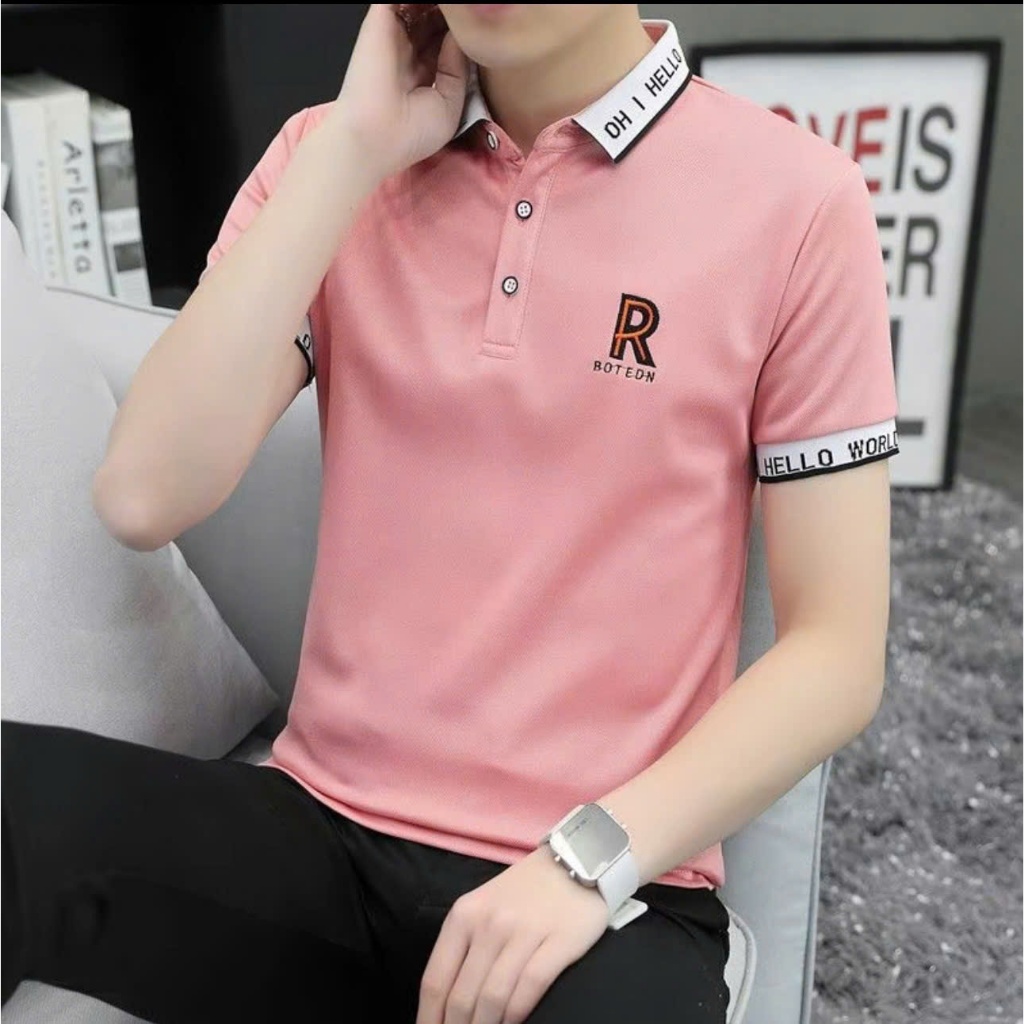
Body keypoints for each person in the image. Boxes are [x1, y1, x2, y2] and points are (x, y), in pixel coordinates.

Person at [1, 4, 900, 1023]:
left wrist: (583, 862)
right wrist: (351, 150)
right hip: (318, 840)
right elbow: (143, 492)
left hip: (603, 899)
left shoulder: (797, 201)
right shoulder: (330, 155)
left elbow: (836, 653)